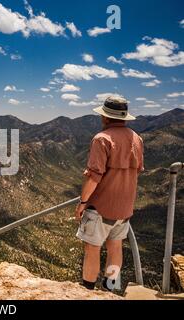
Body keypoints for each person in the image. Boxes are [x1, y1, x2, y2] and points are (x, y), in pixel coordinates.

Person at [74, 96, 144, 291]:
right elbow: (137, 170)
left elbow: (94, 177)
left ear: (105, 117)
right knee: (115, 247)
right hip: (125, 207)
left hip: (100, 207)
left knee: (92, 248)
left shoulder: (101, 139)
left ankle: (87, 291)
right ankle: (110, 290)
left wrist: (82, 202)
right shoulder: (137, 139)